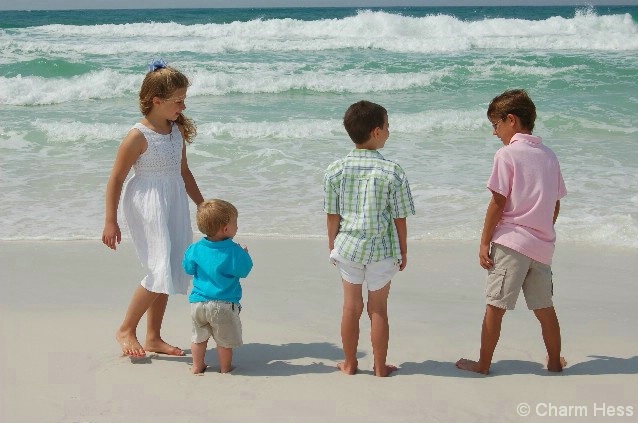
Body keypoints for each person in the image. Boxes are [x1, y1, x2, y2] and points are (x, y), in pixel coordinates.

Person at [456, 89, 567, 375]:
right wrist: (541, 230)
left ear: (512, 120)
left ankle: (483, 364)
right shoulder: (549, 155)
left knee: (495, 306)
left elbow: (498, 202)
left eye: (496, 125)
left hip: (510, 244)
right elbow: (555, 205)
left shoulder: (507, 154)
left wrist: (484, 242)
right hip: (542, 247)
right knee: (545, 309)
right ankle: (554, 362)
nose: (495, 133)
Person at [102, 58, 204, 358]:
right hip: (148, 203)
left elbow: (184, 172)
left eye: (184, 100)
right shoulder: (137, 136)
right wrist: (110, 220)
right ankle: (125, 329)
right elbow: (116, 179)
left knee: (171, 268)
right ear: (156, 101)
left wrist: (202, 204)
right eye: (178, 101)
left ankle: (153, 337)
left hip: (174, 201)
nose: (183, 107)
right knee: (158, 267)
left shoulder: (176, 131)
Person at [324, 100, 415, 377]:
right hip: (383, 249)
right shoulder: (393, 171)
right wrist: (404, 250)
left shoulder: (335, 170)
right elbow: (400, 217)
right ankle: (379, 367)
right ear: (376, 131)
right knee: (378, 309)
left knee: (351, 307)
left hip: (349, 246)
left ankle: (350, 364)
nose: (389, 131)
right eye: (387, 126)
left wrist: (333, 244)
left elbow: (332, 214)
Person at [183, 199, 253, 374]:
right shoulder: (233, 250)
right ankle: (225, 368)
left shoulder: (195, 248)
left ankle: (197, 366)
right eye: (235, 223)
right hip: (223, 304)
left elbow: (188, 268)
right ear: (225, 229)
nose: (237, 226)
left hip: (198, 303)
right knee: (224, 340)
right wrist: (244, 255)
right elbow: (244, 271)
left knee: (198, 337)